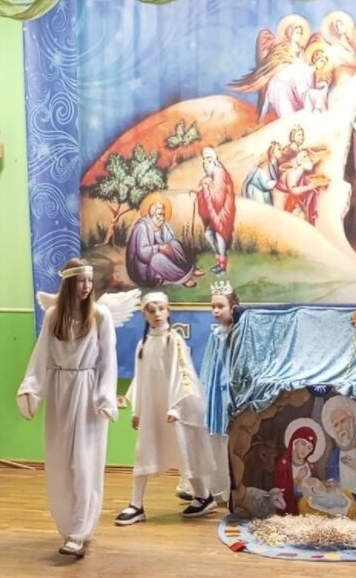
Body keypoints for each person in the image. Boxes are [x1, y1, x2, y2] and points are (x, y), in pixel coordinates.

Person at [16, 259, 118, 558]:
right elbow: (42, 356)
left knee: (85, 463)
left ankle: (80, 530)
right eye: (81, 281)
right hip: (61, 392)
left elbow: (107, 361)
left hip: (87, 394)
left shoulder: (100, 315)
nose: (86, 286)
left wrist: (104, 397)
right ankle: (67, 525)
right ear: (69, 283)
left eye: (89, 281)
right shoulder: (53, 316)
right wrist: (31, 387)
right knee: (60, 461)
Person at [114, 292, 217, 526]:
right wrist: (137, 411)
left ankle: (203, 496)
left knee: (185, 451)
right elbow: (140, 379)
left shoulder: (174, 340)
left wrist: (176, 408)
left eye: (161, 309)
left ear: (168, 310)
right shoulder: (143, 344)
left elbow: (183, 374)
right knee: (144, 451)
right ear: (144, 315)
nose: (157, 314)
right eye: (152, 310)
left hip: (173, 410)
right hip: (152, 410)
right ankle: (136, 504)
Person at [200, 280, 239, 500]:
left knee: (232, 437)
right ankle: (218, 487)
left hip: (232, 391)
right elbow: (208, 365)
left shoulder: (240, 333)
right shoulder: (215, 335)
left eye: (220, 306)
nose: (215, 311)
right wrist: (204, 391)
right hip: (217, 392)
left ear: (233, 307)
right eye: (213, 306)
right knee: (216, 437)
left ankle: (234, 487)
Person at [125, 199, 201, 288]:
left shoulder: (163, 225)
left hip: (158, 259)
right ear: (152, 214)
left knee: (174, 244)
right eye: (160, 214)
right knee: (157, 258)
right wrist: (159, 248)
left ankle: (189, 269)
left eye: (163, 214)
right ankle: (184, 278)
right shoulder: (142, 227)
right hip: (143, 269)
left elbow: (170, 244)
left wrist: (160, 231)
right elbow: (142, 253)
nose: (162, 217)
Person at [195, 147, 236, 276]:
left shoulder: (219, 172)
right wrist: (204, 188)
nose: (205, 162)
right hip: (214, 210)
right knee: (209, 234)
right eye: (204, 159)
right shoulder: (211, 174)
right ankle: (219, 260)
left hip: (223, 210)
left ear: (214, 159)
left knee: (219, 234)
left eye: (208, 158)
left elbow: (217, 198)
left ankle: (222, 266)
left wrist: (206, 187)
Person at [272, 418, 325, 515]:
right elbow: (281, 492)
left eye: (309, 448)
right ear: (295, 442)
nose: (304, 450)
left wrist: (324, 485)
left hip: (309, 510)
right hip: (291, 511)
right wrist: (298, 478)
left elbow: (317, 487)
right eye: (303, 444)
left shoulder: (310, 467)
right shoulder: (283, 465)